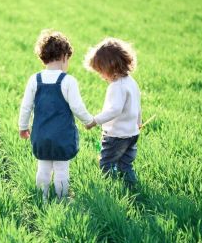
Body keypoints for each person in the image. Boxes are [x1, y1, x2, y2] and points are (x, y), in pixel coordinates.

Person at [19, 29, 94, 202]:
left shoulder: (34, 79)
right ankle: (61, 199)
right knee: (61, 170)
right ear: (64, 57)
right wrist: (89, 121)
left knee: (43, 168)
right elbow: (77, 107)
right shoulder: (68, 81)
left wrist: (23, 127)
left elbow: (26, 106)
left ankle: (42, 198)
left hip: (41, 134)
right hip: (62, 136)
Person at [85, 38, 142, 188]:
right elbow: (137, 105)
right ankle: (131, 185)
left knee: (107, 163)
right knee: (125, 164)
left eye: (101, 72)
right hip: (132, 134)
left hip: (116, 136)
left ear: (111, 67)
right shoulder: (131, 82)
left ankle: (108, 188)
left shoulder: (116, 86)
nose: (101, 76)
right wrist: (138, 122)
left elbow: (114, 110)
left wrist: (94, 120)